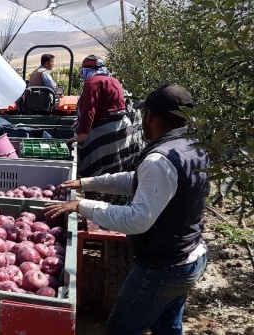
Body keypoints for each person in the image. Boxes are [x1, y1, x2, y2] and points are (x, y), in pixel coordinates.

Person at [44, 84, 210, 335]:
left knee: (122, 328)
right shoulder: (190, 147)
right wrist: (86, 183)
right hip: (190, 257)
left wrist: (82, 205)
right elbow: (136, 180)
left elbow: (137, 220)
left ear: (150, 115)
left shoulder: (159, 160)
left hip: (163, 268)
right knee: (167, 326)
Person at [69, 54, 143, 204]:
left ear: (86, 69)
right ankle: (120, 206)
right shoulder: (113, 80)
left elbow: (89, 112)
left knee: (99, 172)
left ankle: (99, 209)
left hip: (104, 133)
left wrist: (81, 136)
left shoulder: (92, 82)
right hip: (123, 130)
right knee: (119, 169)